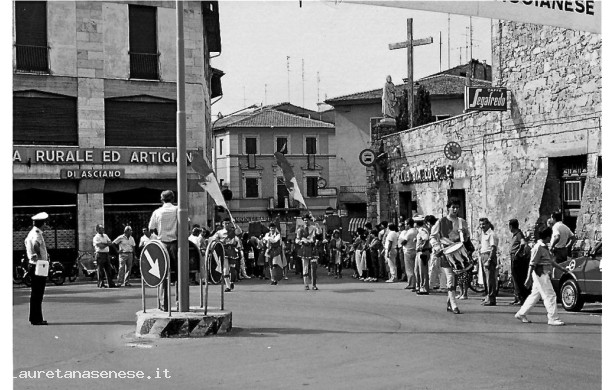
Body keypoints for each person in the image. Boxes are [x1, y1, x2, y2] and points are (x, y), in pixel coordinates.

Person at [515, 227, 569, 326]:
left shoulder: (543, 247)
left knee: (535, 295)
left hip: (543, 273)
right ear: (548, 237)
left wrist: (562, 269)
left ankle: (521, 313)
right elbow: (532, 264)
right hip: (541, 274)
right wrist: (528, 278)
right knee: (550, 295)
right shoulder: (538, 247)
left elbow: (550, 261)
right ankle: (553, 318)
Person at [430, 199, 471, 314]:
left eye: (457, 207)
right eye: (453, 207)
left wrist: (465, 234)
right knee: (450, 277)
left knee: (456, 277)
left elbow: (467, 238)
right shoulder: (441, 221)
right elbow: (433, 236)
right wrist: (437, 247)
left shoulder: (462, 221)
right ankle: (454, 304)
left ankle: (449, 301)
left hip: (459, 251)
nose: (455, 209)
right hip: (446, 252)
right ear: (448, 208)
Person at [148, 190, 178, 311]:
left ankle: (163, 304)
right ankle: (180, 302)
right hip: (176, 245)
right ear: (173, 198)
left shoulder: (157, 212)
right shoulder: (177, 210)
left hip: (162, 244)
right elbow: (187, 225)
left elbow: (151, 229)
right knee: (179, 274)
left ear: (162, 199)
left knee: (162, 275)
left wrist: (158, 236)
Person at [24, 212, 50, 325]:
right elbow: (35, 244)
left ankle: (34, 317)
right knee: (38, 293)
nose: (45, 225)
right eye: (44, 223)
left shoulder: (31, 232)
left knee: (35, 293)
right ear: (42, 223)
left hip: (33, 264)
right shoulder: (37, 234)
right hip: (38, 265)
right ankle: (37, 319)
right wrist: (40, 257)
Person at [211, 217, 244, 292]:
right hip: (223, 250)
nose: (227, 224)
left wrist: (235, 224)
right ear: (222, 224)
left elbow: (239, 232)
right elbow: (213, 240)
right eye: (225, 223)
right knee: (225, 269)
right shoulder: (219, 232)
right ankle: (228, 286)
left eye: (228, 223)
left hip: (232, 250)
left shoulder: (233, 231)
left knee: (232, 268)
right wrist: (218, 242)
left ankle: (232, 282)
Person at [295, 215, 322, 290]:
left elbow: (319, 232)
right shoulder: (300, 229)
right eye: (305, 220)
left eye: (307, 220)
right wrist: (301, 241)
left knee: (313, 267)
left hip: (312, 248)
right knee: (305, 267)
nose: (306, 221)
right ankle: (306, 284)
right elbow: (297, 239)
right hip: (304, 249)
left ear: (310, 220)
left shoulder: (313, 228)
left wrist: (316, 223)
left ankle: (314, 285)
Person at [509, 219, 530, 305]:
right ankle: (517, 297)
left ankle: (521, 298)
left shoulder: (518, 234)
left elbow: (522, 243)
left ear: (511, 226)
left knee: (518, 279)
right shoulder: (516, 235)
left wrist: (517, 253)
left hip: (517, 259)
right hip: (514, 257)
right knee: (515, 278)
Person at [479, 218, 499, 306]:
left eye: (483, 224)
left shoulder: (491, 234)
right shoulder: (483, 234)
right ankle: (487, 296)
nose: (481, 226)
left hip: (488, 256)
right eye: (480, 224)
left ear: (488, 224)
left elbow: (493, 248)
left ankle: (492, 299)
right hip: (483, 255)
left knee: (490, 279)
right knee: (485, 279)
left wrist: (489, 260)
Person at [93, 224, 116, 288]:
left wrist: (105, 244)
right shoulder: (96, 237)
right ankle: (101, 283)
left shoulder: (105, 235)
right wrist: (106, 244)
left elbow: (110, 242)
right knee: (100, 270)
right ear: (97, 230)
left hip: (106, 254)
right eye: (101, 228)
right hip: (100, 254)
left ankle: (110, 283)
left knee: (108, 269)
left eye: (103, 228)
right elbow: (100, 246)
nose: (103, 229)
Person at [414, 215, 432, 295]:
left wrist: (422, 246)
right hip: (420, 252)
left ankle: (424, 288)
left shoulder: (422, 230)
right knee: (417, 270)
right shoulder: (420, 231)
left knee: (423, 271)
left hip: (423, 252)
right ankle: (420, 286)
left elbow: (426, 238)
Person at [399, 218, 418, 290]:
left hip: (408, 250)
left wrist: (401, 242)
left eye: (406, 224)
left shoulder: (409, 232)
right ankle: (416, 283)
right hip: (414, 249)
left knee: (409, 268)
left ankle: (411, 283)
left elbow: (404, 241)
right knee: (414, 268)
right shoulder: (416, 231)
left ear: (408, 224)